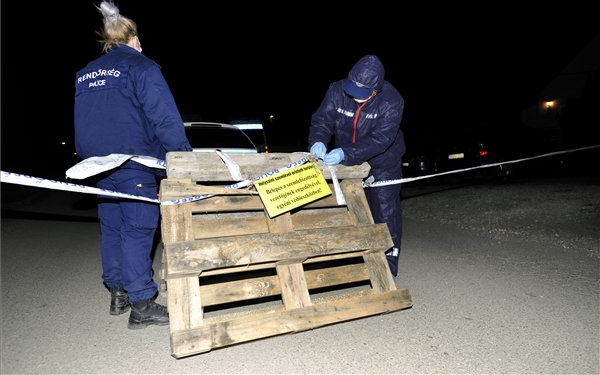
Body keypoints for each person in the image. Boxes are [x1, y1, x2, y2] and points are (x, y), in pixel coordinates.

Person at [74, 1, 192, 329]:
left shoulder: (85, 73)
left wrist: (90, 158)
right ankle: (142, 303)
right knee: (138, 228)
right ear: (134, 38)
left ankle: (118, 293)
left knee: (112, 227)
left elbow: (83, 122)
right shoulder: (142, 67)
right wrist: (182, 155)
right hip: (134, 162)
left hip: (99, 165)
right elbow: (164, 116)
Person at [308, 55, 405, 278]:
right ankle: (347, 265)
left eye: (362, 94)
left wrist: (346, 153)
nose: (354, 97)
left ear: (376, 90)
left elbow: (382, 138)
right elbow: (322, 120)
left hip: (383, 161)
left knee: (384, 210)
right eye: (352, 90)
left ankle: (387, 270)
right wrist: (318, 141)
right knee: (346, 208)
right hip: (347, 162)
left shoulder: (392, 100)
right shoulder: (337, 90)